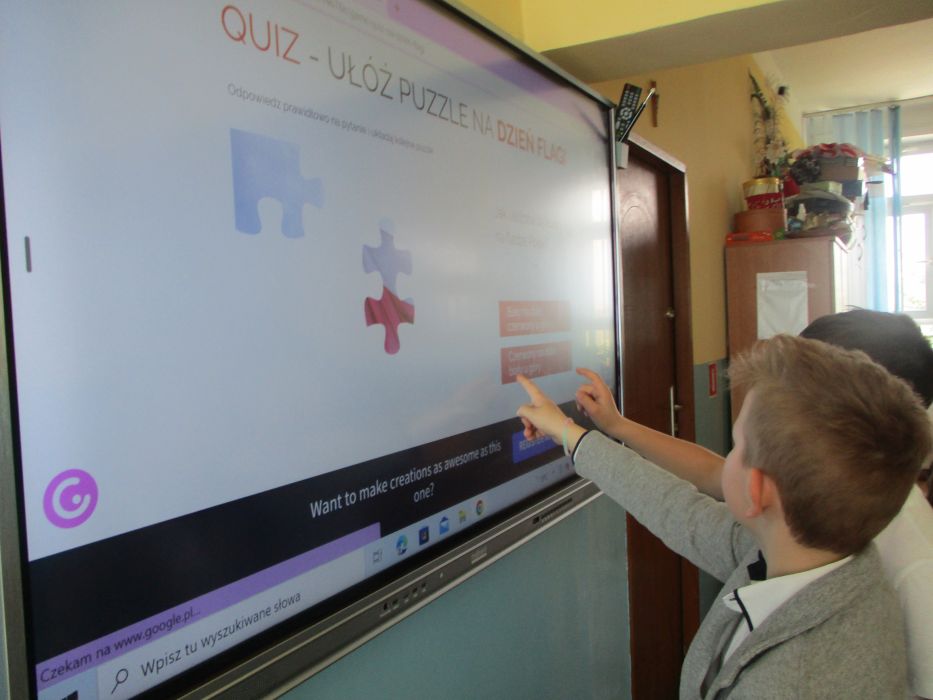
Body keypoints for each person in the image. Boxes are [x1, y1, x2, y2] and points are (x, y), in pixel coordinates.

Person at [516, 335, 931, 698]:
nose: (724, 460)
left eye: (735, 446)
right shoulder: (815, 556)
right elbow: (678, 510)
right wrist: (586, 432)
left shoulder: (791, 683)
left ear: (756, 491)